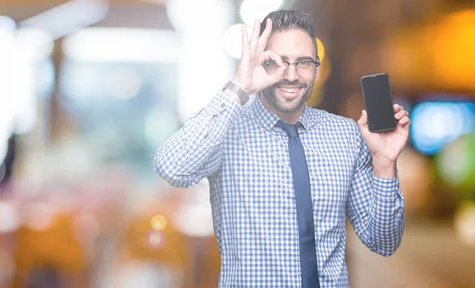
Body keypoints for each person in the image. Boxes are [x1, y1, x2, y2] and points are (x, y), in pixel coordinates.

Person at [154, 10, 409, 288]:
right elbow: (172, 168)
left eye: (303, 63)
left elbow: (383, 242)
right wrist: (240, 86)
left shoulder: (346, 134)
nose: (291, 75)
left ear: (317, 69)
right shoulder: (226, 130)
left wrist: (384, 164)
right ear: (258, 64)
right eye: (276, 62)